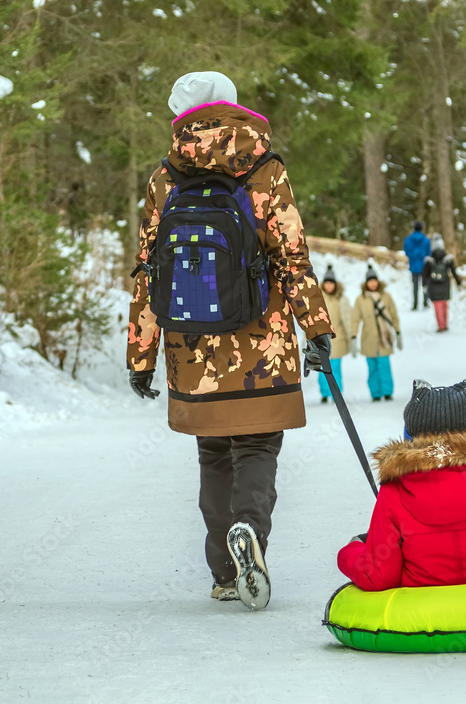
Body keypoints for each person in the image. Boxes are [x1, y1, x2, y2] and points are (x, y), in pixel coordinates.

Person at [126, 71, 333, 611]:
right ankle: (249, 533)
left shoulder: (165, 177)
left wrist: (140, 356)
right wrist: (317, 330)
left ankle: (222, 572)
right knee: (259, 446)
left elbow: (147, 272)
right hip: (263, 345)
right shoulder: (265, 170)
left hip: (190, 350)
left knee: (213, 454)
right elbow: (293, 258)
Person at [337, 376, 466, 591]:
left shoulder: (394, 491)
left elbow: (378, 577)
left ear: (410, 437)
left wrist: (352, 550)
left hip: (421, 614)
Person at [350, 264, 401, 402]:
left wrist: (397, 332)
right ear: (366, 283)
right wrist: (353, 336)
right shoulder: (361, 299)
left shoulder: (386, 297)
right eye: (370, 281)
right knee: (372, 367)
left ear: (378, 281)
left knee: (384, 365)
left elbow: (393, 314)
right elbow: (355, 319)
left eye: (374, 280)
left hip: (384, 337)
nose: (372, 283)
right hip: (368, 338)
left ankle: (387, 391)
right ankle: (375, 393)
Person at [315, 265, 351, 404]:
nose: (329, 286)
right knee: (323, 367)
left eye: (332, 283)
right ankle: (324, 392)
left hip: (337, 339)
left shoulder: (340, 299)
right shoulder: (318, 299)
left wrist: (350, 337)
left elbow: (346, 319)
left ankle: (336, 393)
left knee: (335, 368)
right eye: (327, 283)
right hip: (321, 339)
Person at [423, 234, 461, 332]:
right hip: (445, 284)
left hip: (433, 285)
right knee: (444, 304)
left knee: (437, 305)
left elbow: (425, 274)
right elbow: (453, 271)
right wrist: (458, 281)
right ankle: (445, 324)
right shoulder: (447, 258)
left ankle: (440, 325)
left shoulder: (429, 260)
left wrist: (424, 284)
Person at [402, 220, 431, 310]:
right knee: (425, 284)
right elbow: (428, 253)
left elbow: (406, 251)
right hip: (424, 266)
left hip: (413, 265)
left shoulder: (408, 240)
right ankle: (425, 301)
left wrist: (412, 257)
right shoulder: (426, 240)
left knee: (415, 286)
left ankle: (415, 304)